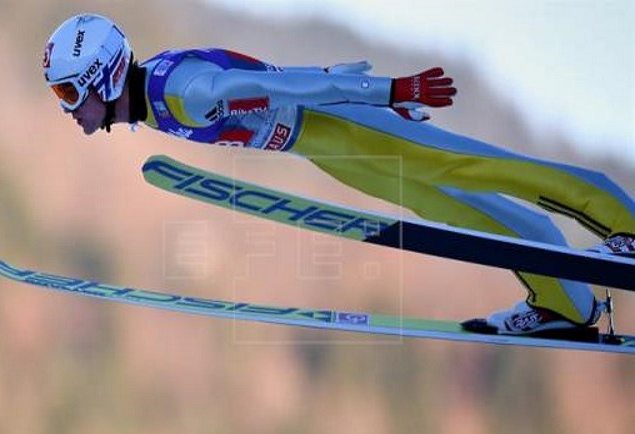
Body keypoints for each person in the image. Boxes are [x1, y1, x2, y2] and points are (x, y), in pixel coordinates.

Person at [42, 13, 635, 335]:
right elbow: (273, 75)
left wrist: (383, 93)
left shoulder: (182, 92)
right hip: (329, 147)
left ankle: (622, 223)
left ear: (105, 75)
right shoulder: (159, 100)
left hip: (346, 125)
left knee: (477, 168)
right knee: (456, 211)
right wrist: (339, 77)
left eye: (69, 92)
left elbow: (275, 85)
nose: (68, 110)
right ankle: (564, 301)